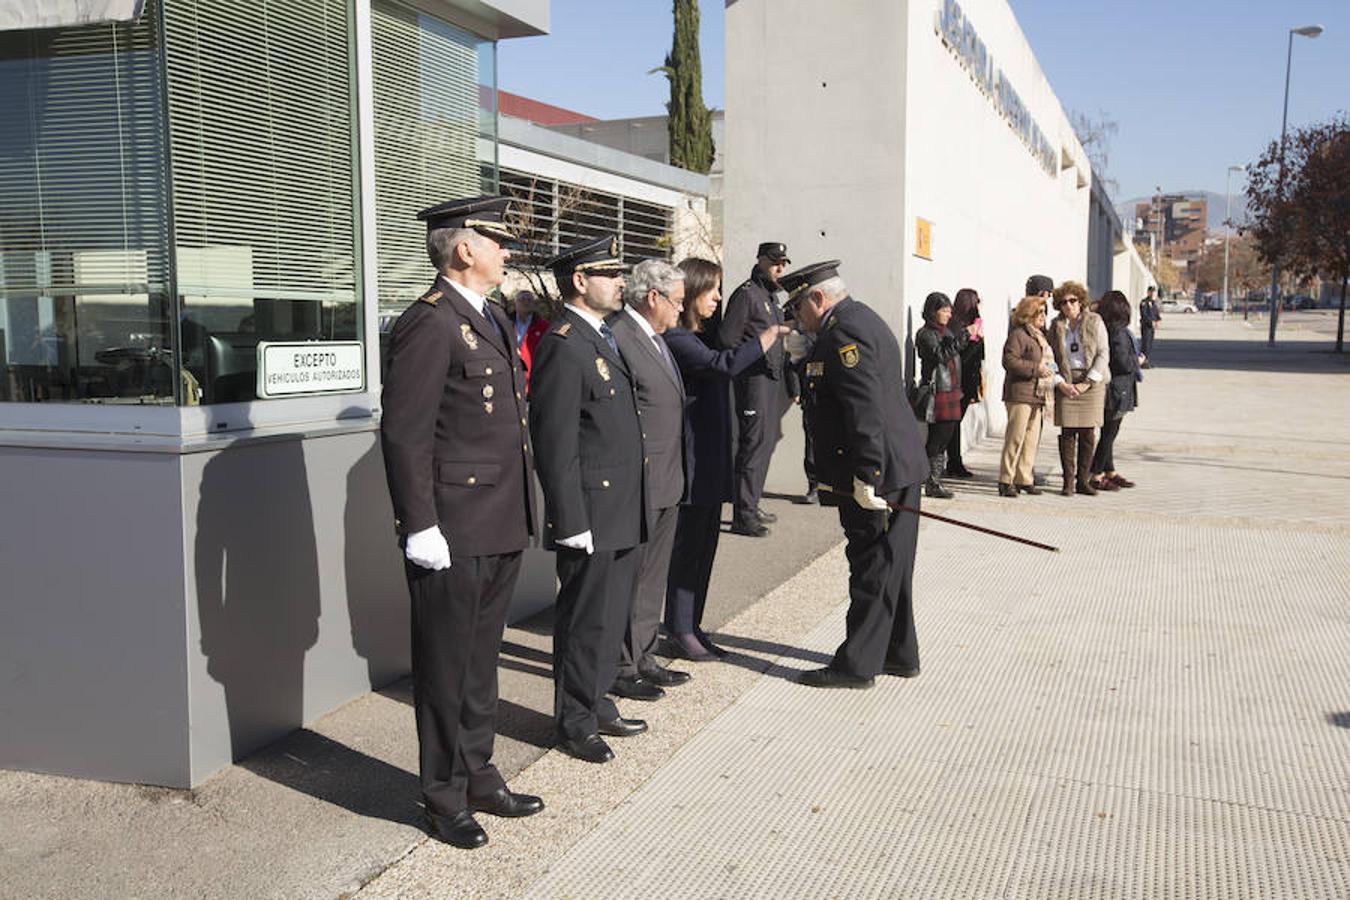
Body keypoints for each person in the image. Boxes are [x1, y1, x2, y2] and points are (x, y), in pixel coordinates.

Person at [380, 195, 542, 850]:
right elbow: (404, 433)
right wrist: (419, 524)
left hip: (499, 518)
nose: (506, 252)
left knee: (480, 663)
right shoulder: (430, 322)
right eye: (498, 241)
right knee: (446, 669)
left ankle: (478, 773)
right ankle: (443, 796)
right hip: (452, 529)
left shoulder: (491, 315)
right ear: (466, 248)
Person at [528, 234, 648, 765]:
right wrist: (569, 518)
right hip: (591, 512)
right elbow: (554, 443)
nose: (621, 282)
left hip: (620, 506)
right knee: (583, 620)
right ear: (580, 281)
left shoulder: (600, 336)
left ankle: (597, 701)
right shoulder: (564, 343)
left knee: (610, 615)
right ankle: (574, 722)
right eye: (610, 273)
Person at [785, 260, 928, 689]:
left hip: (878, 470)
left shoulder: (844, 332)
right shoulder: (854, 320)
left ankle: (858, 665)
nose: (796, 318)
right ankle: (898, 653)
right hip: (894, 464)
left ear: (817, 298)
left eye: (798, 308)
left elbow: (864, 409)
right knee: (891, 564)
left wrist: (868, 474)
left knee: (873, 565)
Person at [663, 258, 786, 661]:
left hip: (713, 461)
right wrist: (768, 335)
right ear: (690, 292)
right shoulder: (677, 338)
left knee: (706, 549)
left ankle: (693, 624)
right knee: (688, 552)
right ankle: (679, 627)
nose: (718, 298)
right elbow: (723, 365)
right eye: (711, 290)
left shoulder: (703, 336)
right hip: (693, 463)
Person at [606, 260, 692, 701]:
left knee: (652, 579)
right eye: (677, 301)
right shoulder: (619, 336)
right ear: (652, 297)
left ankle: (643, 655)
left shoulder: (657, 339)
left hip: (667, 478)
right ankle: (621, 666)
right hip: (638, 482)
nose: (681, 309)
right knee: (631, 579)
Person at [718, 241, 791, 537]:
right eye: (774, 262)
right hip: (752, 380)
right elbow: (727, 339)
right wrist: (752, 356)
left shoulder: (771, 297)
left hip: (770, 379)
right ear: (760, 261)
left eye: (783, 263)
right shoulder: (747, 295)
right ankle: (743, 515)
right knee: (752, 445)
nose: (780, 268)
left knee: (764, 443)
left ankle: (752, 502)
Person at [1047, 280, 1109, 496]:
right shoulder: (1056, 326)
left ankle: (1083, 480)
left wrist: (1087, 383)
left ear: (1081, 301)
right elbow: (1049, 357)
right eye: (1064, 302)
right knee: (1067, 432)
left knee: (1088, 433)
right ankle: (1068, 482)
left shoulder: (1095, 321)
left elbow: (1103, 353)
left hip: (1091, 381)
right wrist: (1060, 382)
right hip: (1066, 380)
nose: (1069, 305)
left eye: (1073, 301)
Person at [914, 291, 974, 499]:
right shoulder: (926, 334)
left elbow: (956, 354)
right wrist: (964, 336)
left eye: (950, 311)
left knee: (944, 439)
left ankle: (933, 479)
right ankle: (930, 481)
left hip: (952, 391)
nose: (949, 315)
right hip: (938, 392)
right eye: (945, 311)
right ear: (933, 311)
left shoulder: (946, 332)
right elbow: (941, 355)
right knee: (937, 441)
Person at [997, 296, 1054, 497]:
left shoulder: (1040, 336)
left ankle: (1024, 478)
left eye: (1044, 313)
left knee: (1031, 439)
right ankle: (1006, 479)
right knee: (1015, 437)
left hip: (1037, 394)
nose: (1043, 317)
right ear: (1028, 314)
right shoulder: (1019, 335)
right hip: (1020, 393)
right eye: (1039, 313)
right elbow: (1009, 360)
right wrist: (1036, 368)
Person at [1089, 290, 1140, 491]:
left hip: (1115, 388)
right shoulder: (1118, 332)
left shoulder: (1108, 328)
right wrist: (1137, 360)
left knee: (1109, 431)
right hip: (1118, 389)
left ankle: (1109, 470)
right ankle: (1096, 474)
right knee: (1109, 433)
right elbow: (1121, 362)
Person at [945, 288, 984, 479]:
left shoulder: (973, 325)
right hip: (957, 382)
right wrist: (971, 337)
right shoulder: (955, 328)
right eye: (977, 302)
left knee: (956, 423)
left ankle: (955, 461)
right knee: (953, 424)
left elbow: (979, 357)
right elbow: (960, 357)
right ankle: (953, 462)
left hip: (969, 382)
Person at [511, 289, 550, 392]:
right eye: (522, 299)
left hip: (535, 377)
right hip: (511, 375)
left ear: (534, 304)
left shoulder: (543, 326)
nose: (526, 302)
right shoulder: (506, 323)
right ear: (515, 303)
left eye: (529, 299)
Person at [1138, 285, 1161, 366]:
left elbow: (1156, 313)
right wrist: (1151, 322)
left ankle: (1146, 360)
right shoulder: (1144, 302)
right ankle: (1142, 362)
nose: (1153, 294)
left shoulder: (1154, 302)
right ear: (1148, 292)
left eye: (1154, 292)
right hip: (1146, 326)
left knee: (1149, 345)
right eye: (1151, 292)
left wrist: (1157, 320)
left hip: (1152, 327)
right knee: (1145, 345)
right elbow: (1144, 315)